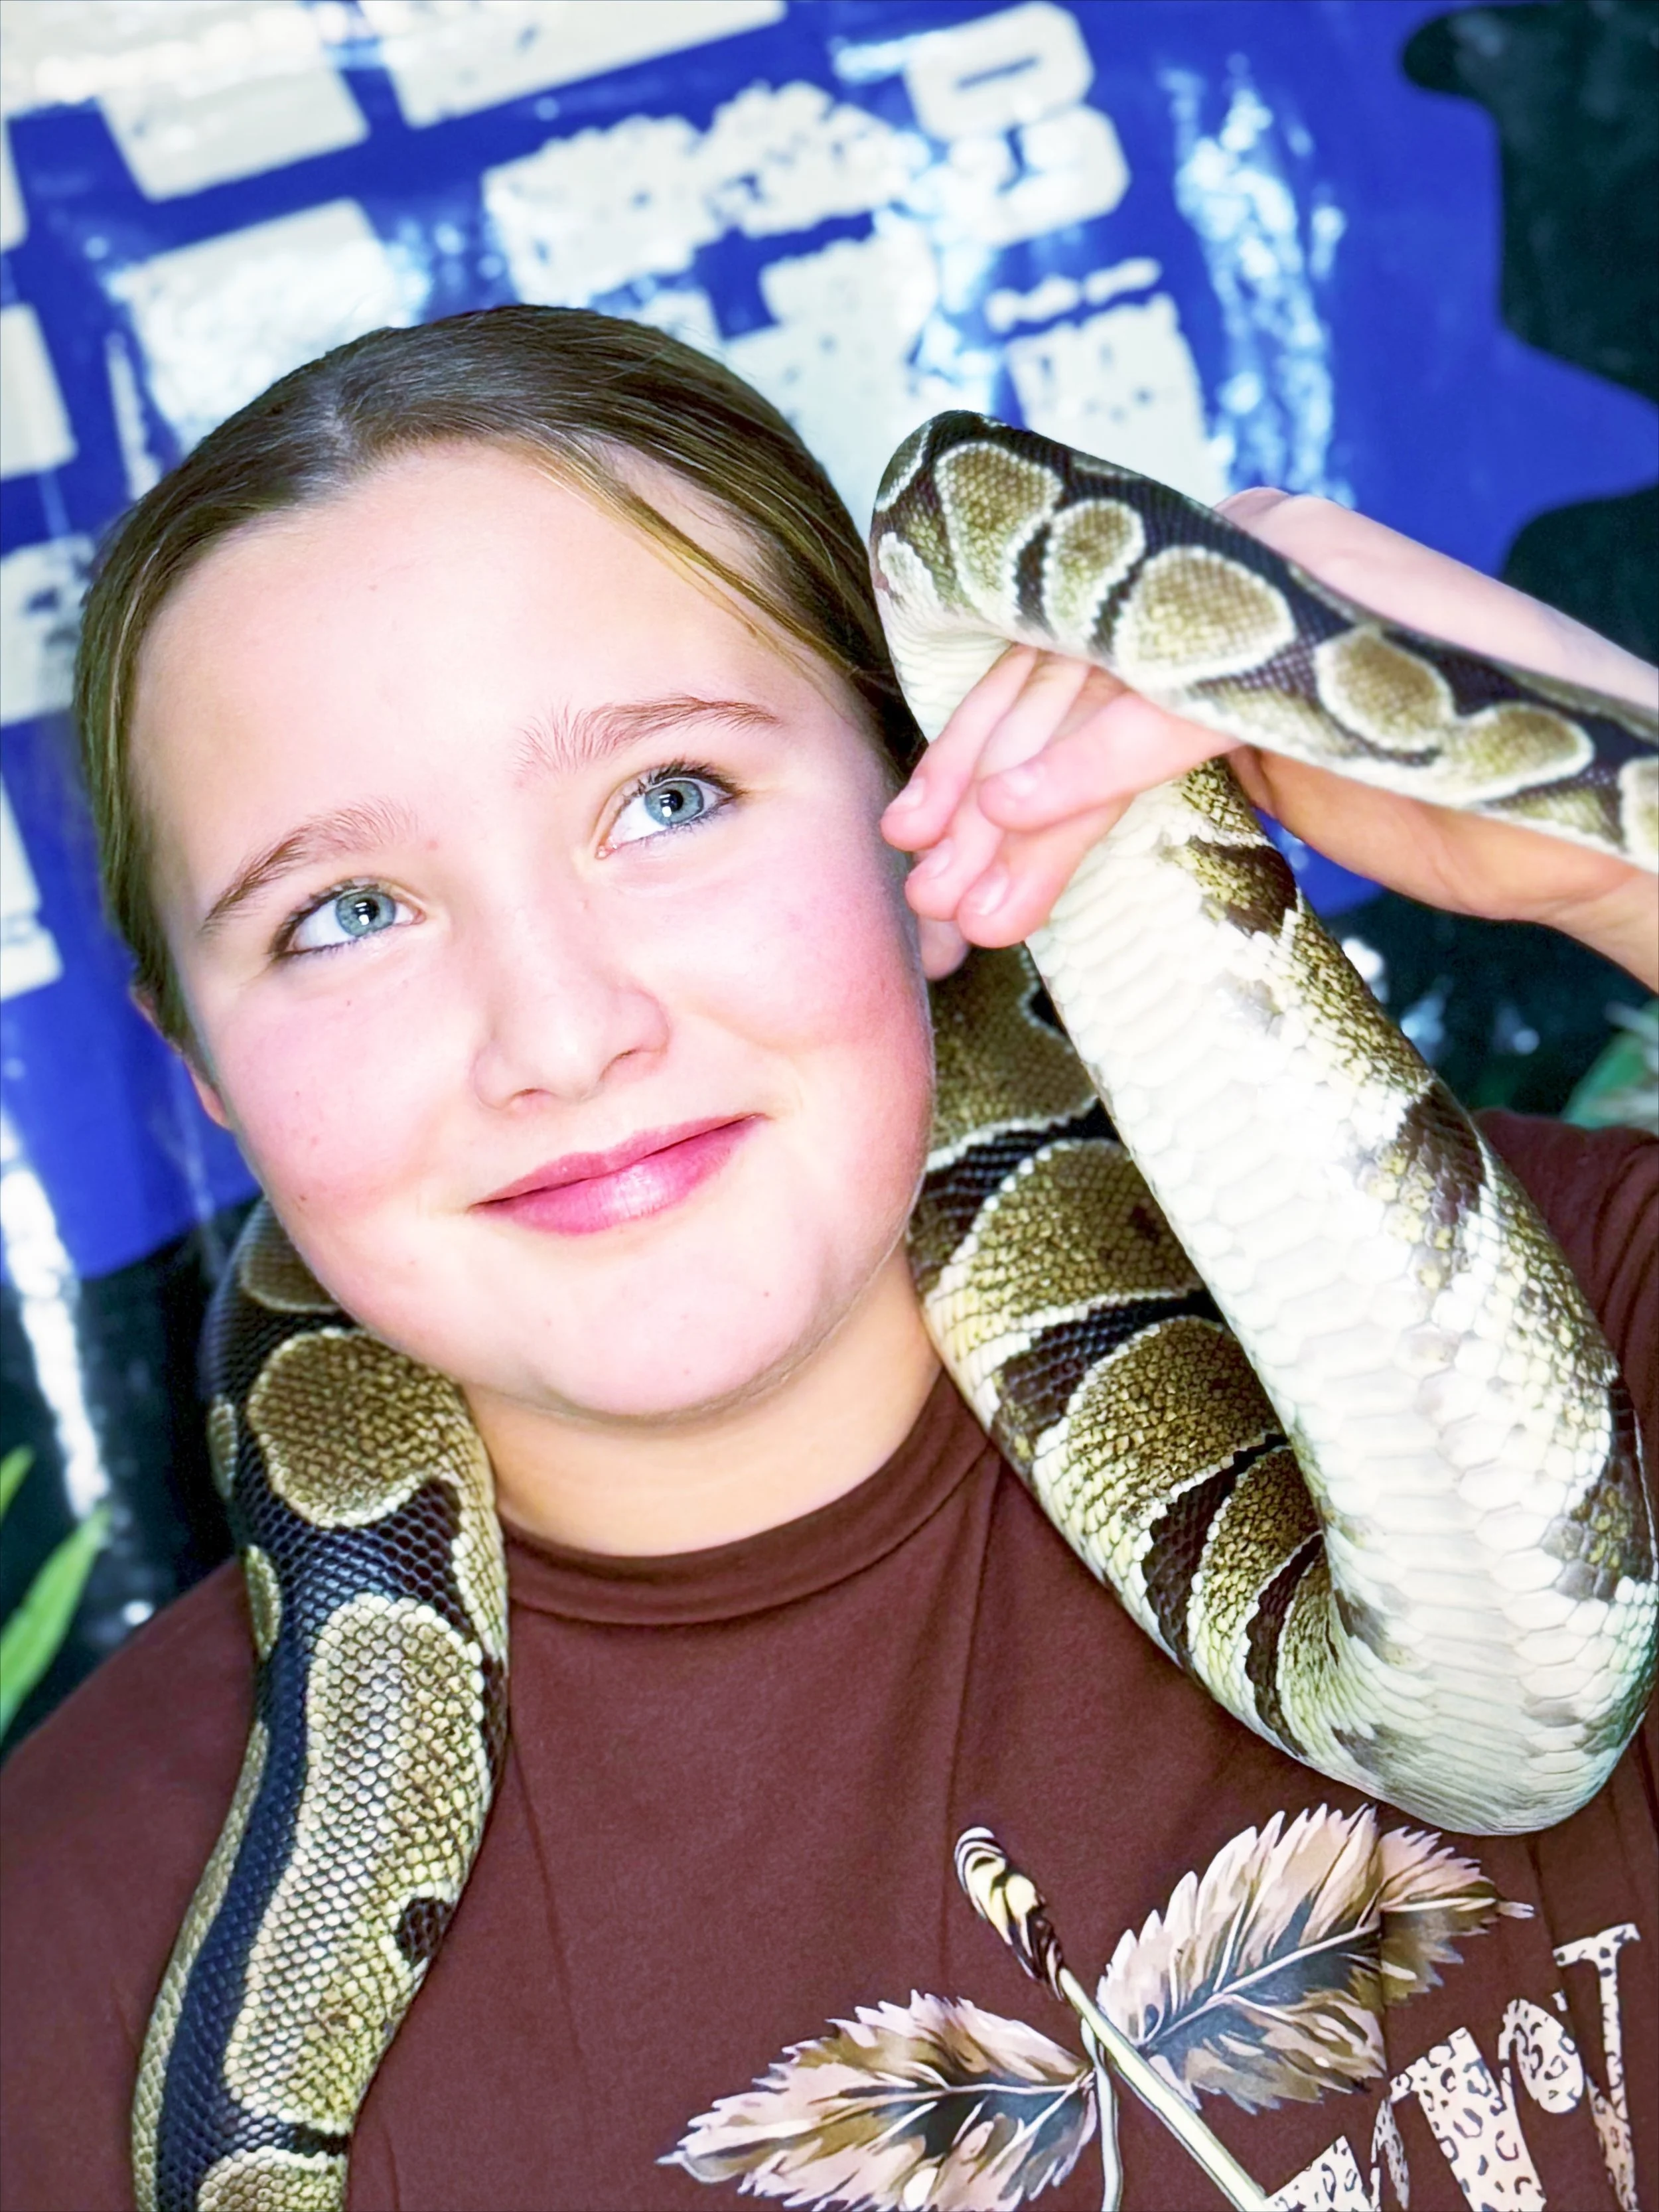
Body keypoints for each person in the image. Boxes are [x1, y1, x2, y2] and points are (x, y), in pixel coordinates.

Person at [1, 307, 1653, 2212]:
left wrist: (1607, 829)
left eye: (670, 797)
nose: (561, 1029)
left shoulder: (1591, 1294)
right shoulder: (56, 1959)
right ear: (199, 1063)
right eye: (347, 911)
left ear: (928, 794)